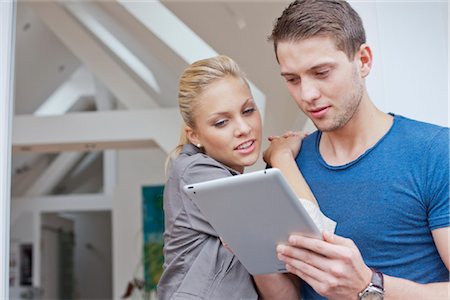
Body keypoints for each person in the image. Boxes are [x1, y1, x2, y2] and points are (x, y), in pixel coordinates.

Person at [263, 0, 449, 299]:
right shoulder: (286, 167)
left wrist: (370, 286)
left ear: (363, 60)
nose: (307, 94)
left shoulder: (436, 152)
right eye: (292, 79)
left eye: (321, 72)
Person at [156, 55, 335, 299]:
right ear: (194, 135)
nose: (243, 128)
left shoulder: (233, 186)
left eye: (248, 110)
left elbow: (286, 296)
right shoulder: (195, 174)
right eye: (221, 122)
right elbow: (315, 233)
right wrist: (281, 157)